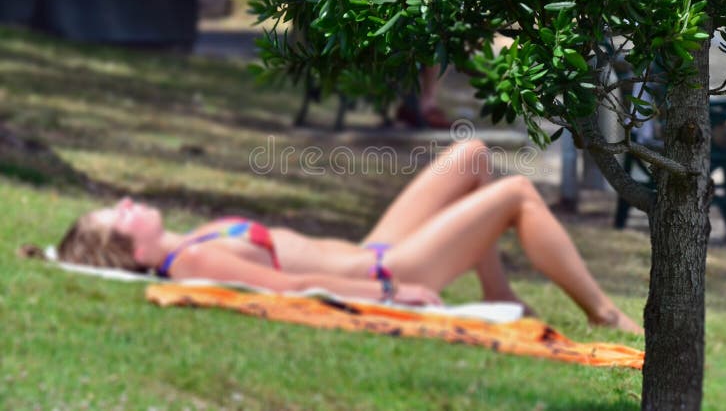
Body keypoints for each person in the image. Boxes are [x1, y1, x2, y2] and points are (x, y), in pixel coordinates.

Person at [33, 139, 642, 333]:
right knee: (516, 194)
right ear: (134, 251)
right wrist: (390, 296)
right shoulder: (193, 263)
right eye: (120, 216)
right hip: (387, 271)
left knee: (472, 156)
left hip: (372, 250)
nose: (128, 203)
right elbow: (288, 287)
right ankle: (603, 312)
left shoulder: (189, 242)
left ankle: (499, 291)